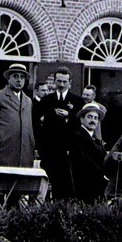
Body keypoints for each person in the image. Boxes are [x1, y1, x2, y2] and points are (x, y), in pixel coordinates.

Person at [33, 66, 82, 201]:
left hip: (69, 151)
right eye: (58, 81)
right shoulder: (46, 100)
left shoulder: (77, 101)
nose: (61, 85)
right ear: (54, 82)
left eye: (64, 82)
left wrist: (69, 115)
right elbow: (39, 122)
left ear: (70, 83)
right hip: (50, 149)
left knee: (68, 185)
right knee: (50, 183)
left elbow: (80, 123)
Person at [67, 101, 109, 202]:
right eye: (89, 117)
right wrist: (104, 176)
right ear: (82, 119)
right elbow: (85, 161)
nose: (93, 121)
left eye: (95, 118)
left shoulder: (95, 140)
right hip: (84, 185)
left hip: (96, 186)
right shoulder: (78, 137)